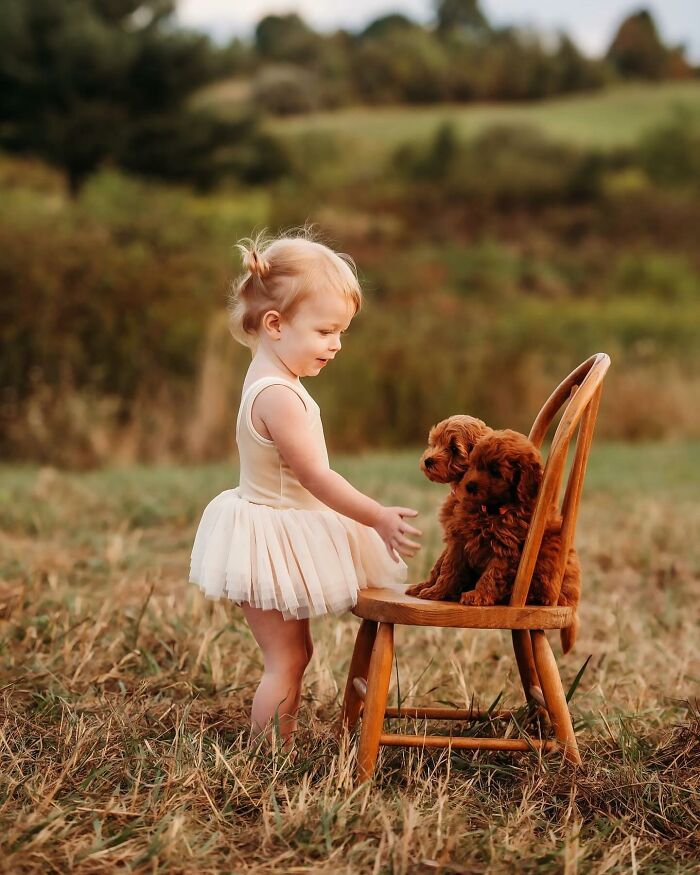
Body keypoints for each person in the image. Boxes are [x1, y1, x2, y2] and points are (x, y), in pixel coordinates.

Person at [189, 228, 423, 754]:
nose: (336, 344)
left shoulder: (271, 376)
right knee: (287, 657)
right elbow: (316, 477)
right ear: (275, 325)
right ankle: (267, 753)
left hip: (273, 525)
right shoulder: (279, 396)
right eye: (325, 331)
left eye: (340, 332)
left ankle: (278, 743)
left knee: (295, 653)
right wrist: (374, 515)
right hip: (270, 536)